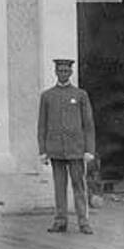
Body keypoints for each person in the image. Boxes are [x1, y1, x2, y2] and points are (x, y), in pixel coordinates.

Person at [38, 58, 96, 235]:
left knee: (79, 185)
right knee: (59, 186)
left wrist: (89, 149)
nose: (63, 74)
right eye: (60, 71)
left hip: (76, 149)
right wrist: (42, 150)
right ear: (55, 72)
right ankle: (60, 220)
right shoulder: (47, 96)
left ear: (71, 72)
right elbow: (42, 125)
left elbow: (88, 124)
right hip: (55, 148)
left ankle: (83, 222)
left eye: (66, 71)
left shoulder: (80, 95)